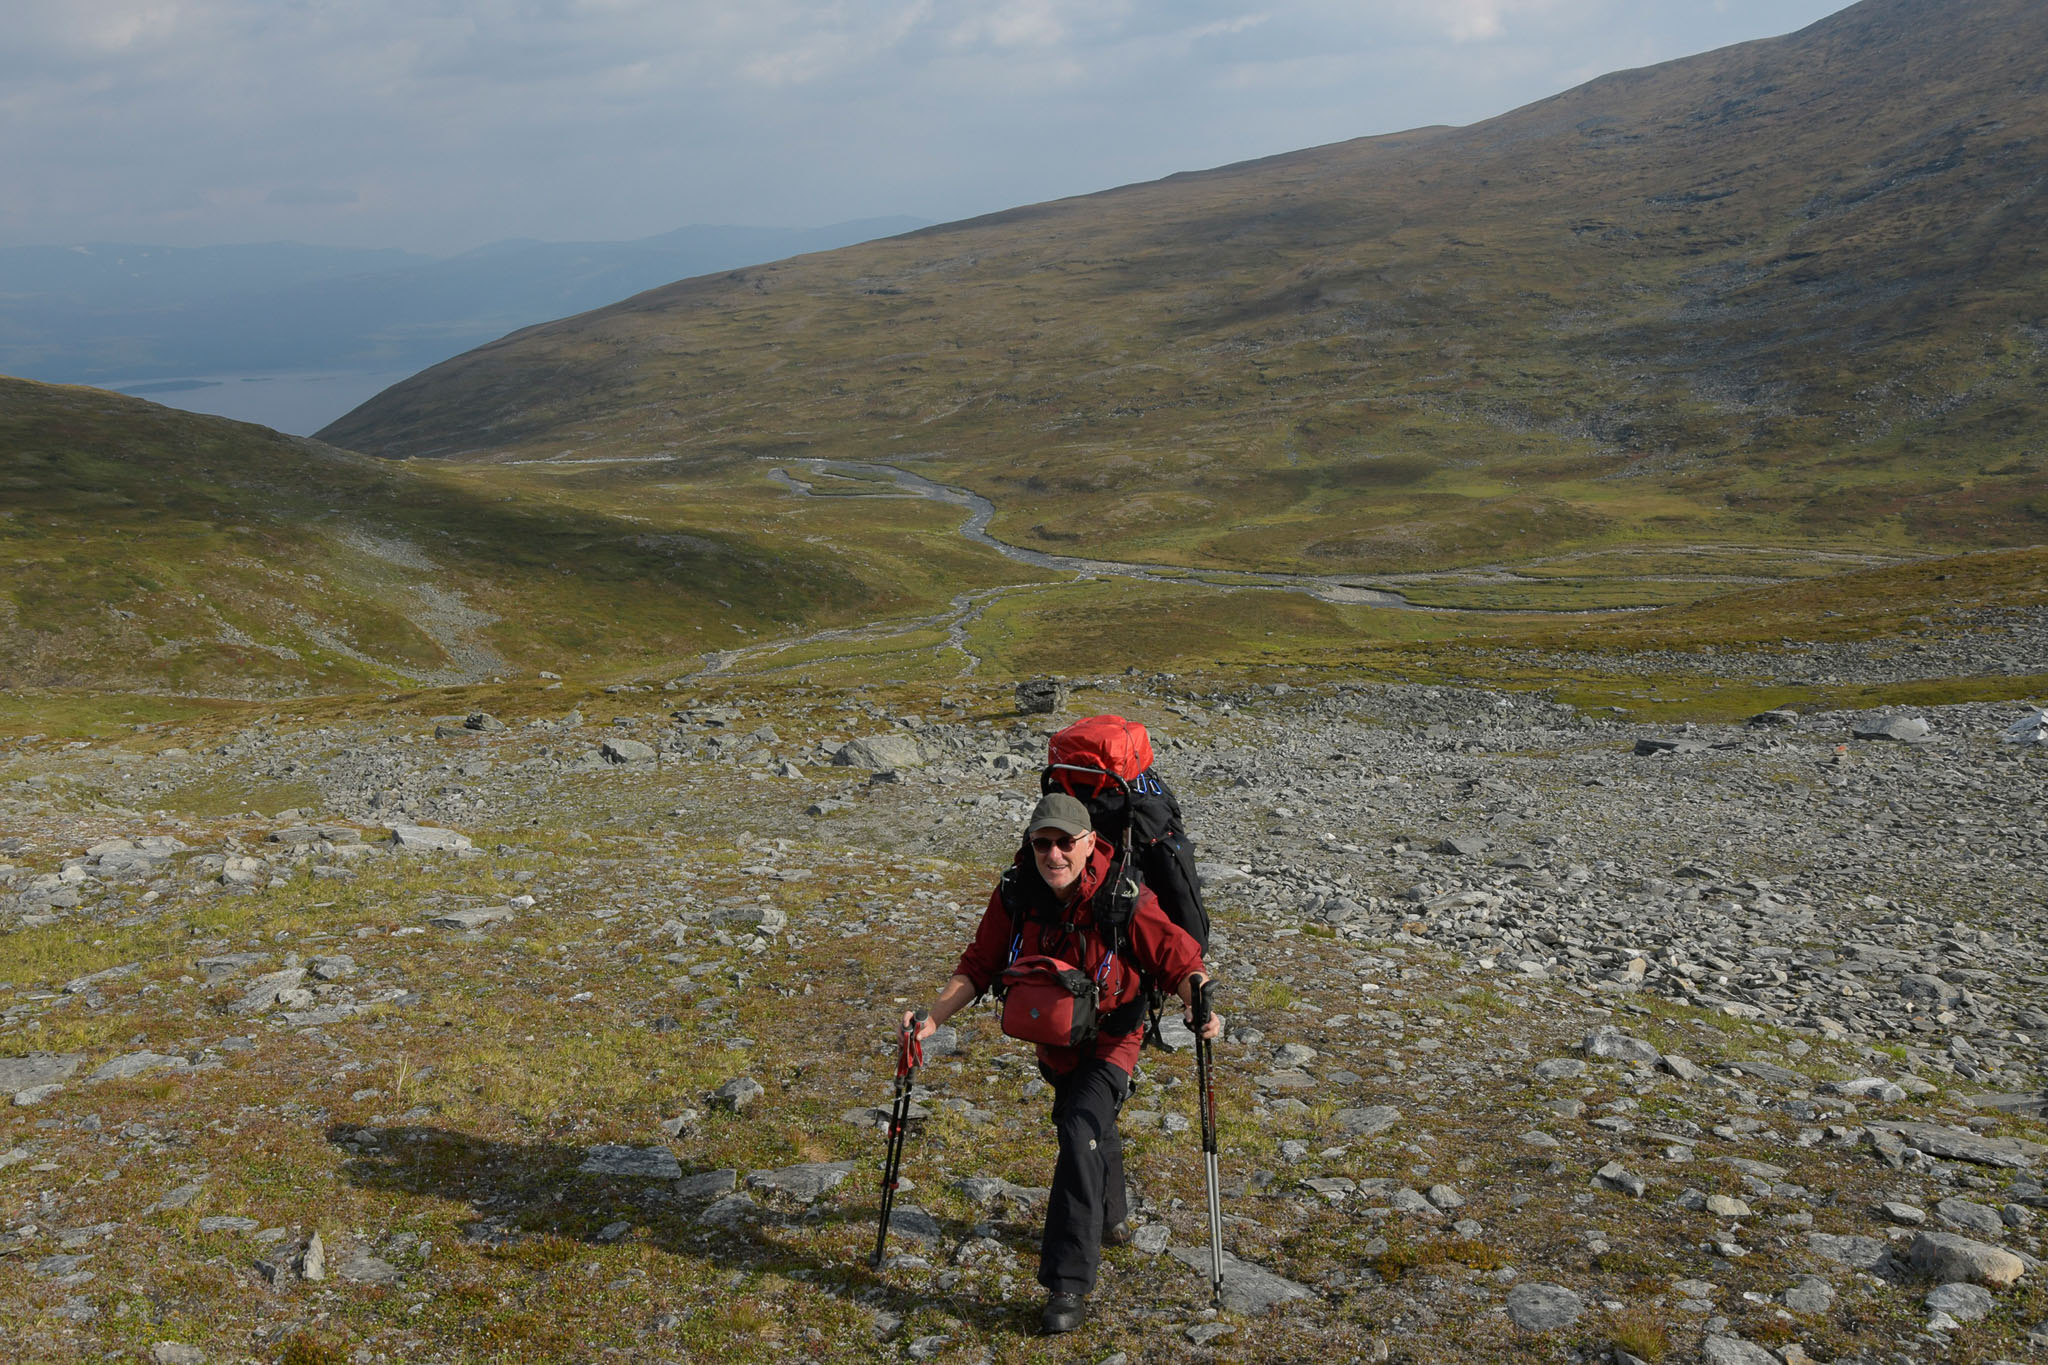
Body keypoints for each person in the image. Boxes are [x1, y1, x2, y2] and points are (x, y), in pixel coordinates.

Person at [901, 791, 1222, 1335]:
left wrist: (1201, 1009)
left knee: (1078, 1130)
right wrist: (932, 1021)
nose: (1053, 854)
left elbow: (1182, 963)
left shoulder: (1124, 897)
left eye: (1064, 843)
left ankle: (1066, 1284)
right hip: (1054, 1038)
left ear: (1089, 842)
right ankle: (1113, 1217)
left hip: (1114, 1036)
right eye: (1042, 843)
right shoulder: (1017, 891)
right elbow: (979, 964)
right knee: (1085, 1124)